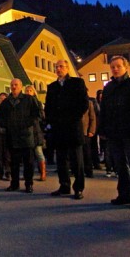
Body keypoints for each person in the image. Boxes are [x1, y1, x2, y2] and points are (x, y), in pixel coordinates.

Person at [99, 55, 130, 210]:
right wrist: (102, 129)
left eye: (118, 66)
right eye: (112, 67)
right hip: (114, 132)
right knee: (120, 166)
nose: (115, 69)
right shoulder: (108, 87)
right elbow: (104, 110)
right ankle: (124, 195)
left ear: (126, 67)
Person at [45, 59, 89, 200]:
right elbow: (48, 107)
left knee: (77, 160)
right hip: (58, 128)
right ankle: (64, 186)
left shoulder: (77, 83)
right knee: (61, 160)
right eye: (56, 67)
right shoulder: (52, 87)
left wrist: (73, 117)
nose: (59, 69)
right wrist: (52, 121)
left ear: (67, 68)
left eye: (61, 67)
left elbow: (83, 103)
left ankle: (78, 188)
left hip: (73, 126)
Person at [0, 79, 42, 193]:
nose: (14, 87)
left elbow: (37, 114)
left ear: (21, 86)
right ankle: (14, 183)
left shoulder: (29, 99)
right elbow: (0, 117)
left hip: (26, 135)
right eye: (12, 85)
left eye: (16, 85)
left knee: (28, 162)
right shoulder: (6, 102)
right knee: (14, 163)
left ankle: (29, 184)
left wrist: (27, 124)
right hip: (12, 136)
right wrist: (7, 125)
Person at [25, 85, 46, 181]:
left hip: (36, 130)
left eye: (30, 90)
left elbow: (41, 116)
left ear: (34, 92)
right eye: (27, 90)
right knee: (28, 154)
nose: (28, 92)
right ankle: (29, 174)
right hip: (26, 130)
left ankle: (43, 172)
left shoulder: (37, 102)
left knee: (38, 152)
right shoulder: (23, 103)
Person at [81, 96, 97, 178]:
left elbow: (93, 118)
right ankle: (78, 170)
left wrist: (91, 130)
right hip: (75, 131)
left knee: (87, 152)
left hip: (85, 131)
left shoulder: (89, 103)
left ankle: (88, 170)